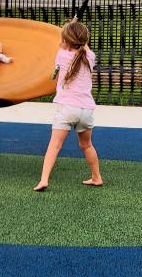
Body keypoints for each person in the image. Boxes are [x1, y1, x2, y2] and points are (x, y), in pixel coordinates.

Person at [33, 18, 103, 191]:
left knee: (54, 145)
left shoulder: (62, 55)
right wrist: (72, 31)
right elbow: (82, 45)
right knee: (87, 145)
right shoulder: (90, 56)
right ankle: (97, 177)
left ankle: (44, 180)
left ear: (65, 41)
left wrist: (67, 30)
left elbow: (62, 44)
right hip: (86, 110)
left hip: (67, 109)